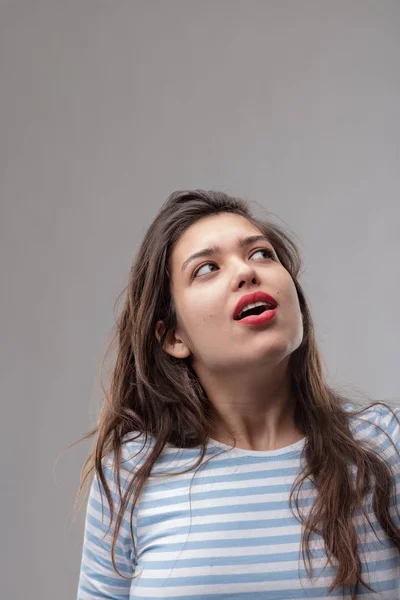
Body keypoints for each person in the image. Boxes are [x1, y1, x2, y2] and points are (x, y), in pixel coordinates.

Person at [74, 189, 400, 599]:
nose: (246, 272)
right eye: (207, 268)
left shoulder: (386, 443)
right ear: (173, 336)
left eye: (261, 254)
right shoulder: (129, 474)